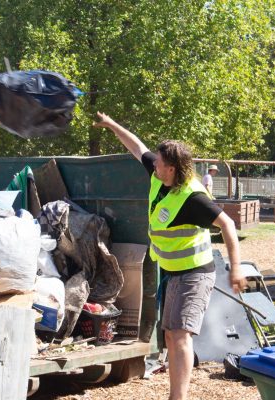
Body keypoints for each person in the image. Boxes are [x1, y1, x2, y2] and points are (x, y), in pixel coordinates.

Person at [93, 112, 246, 400]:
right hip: (172, 271)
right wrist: (113, 125)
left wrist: (236, 269)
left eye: (160, 163)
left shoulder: (193, 198)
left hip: (196, 273)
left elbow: (228, 225)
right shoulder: (159, 176)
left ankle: (179, 398)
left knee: (180, 336)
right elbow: (136, 147)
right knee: (169, 336)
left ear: (172, 169)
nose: (155, 165)